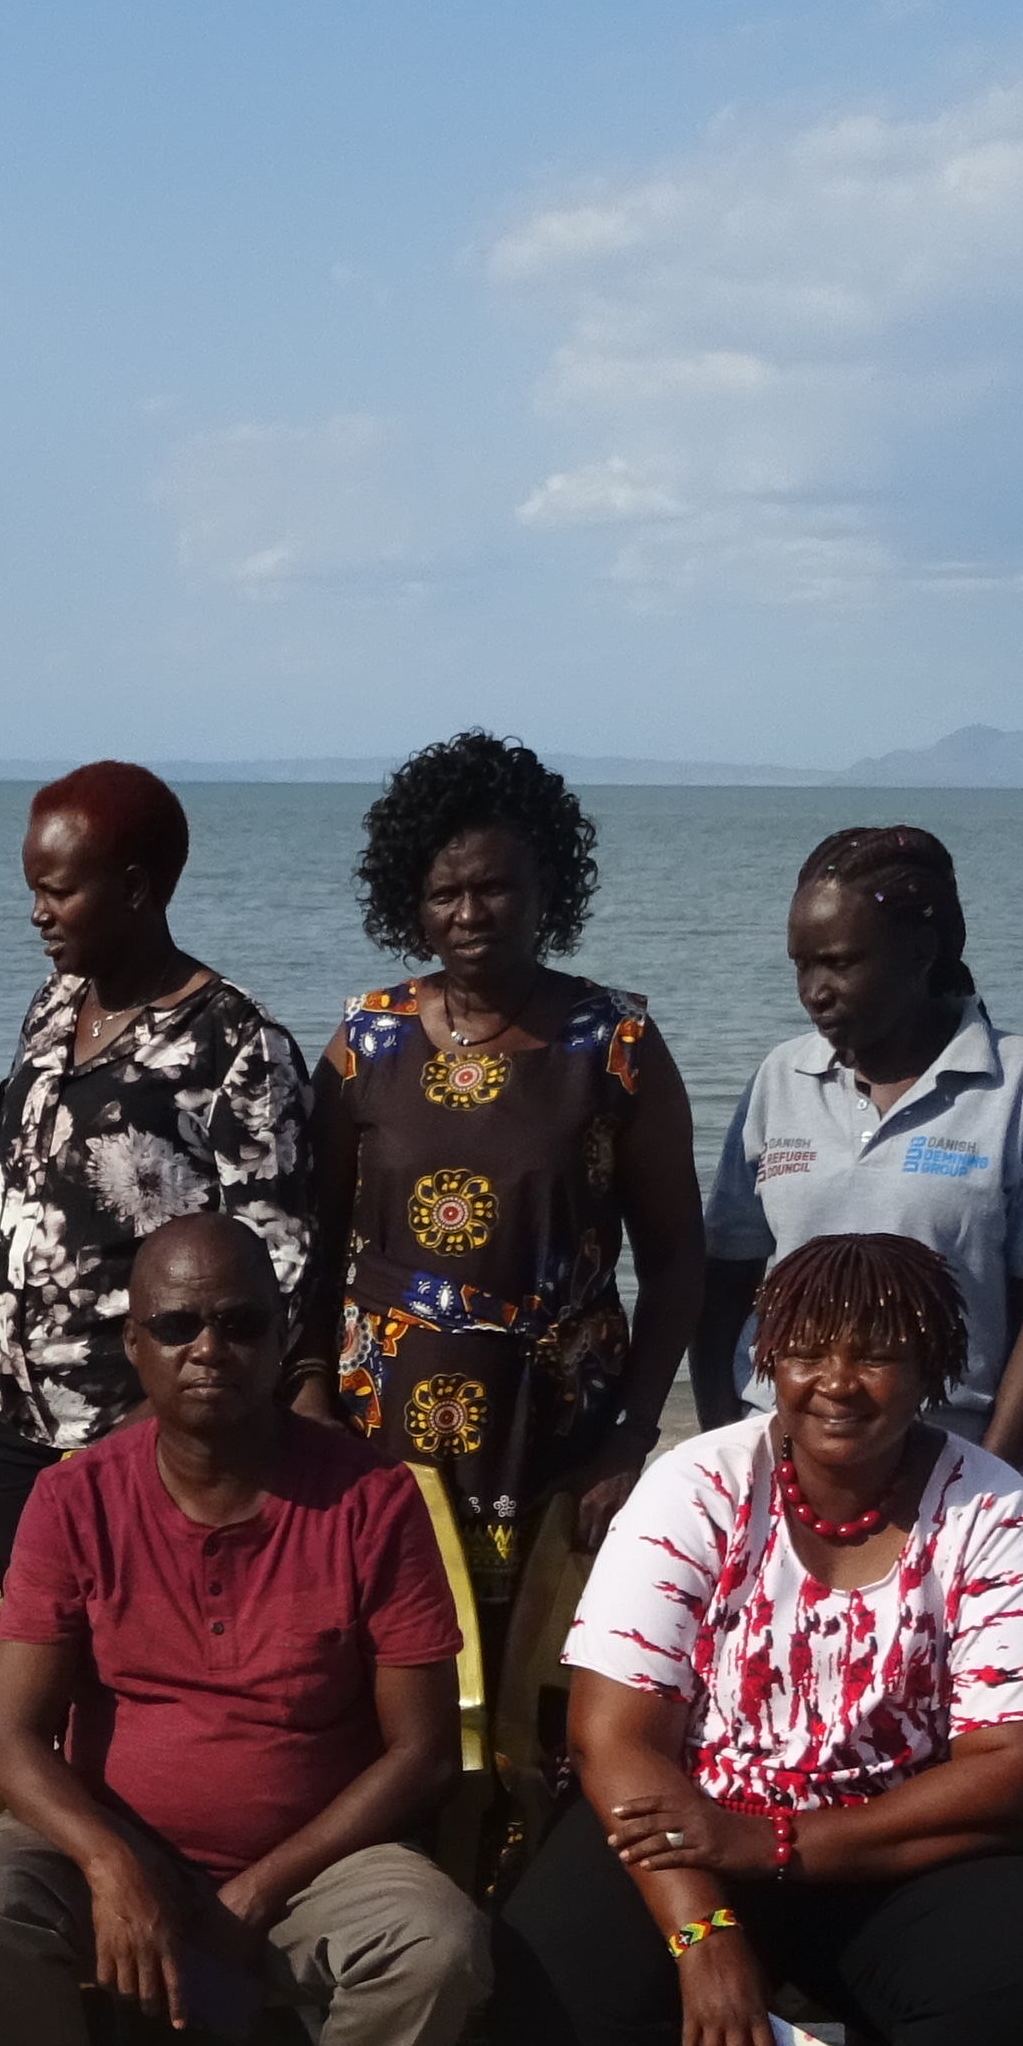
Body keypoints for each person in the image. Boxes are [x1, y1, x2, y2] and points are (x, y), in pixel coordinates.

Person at [494, 1234, 1023, 2046]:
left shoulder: (989, 1510)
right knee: (548, 1963)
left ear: (934, 1367)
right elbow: (613, 1739)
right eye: (810, 1348)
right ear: (767, 1356)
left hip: (903, 1850)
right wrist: (701, 1929)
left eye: (880, 1353)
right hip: (698, 1832)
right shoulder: (698, 1486)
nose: (840, 1378)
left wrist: (786, 1844)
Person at [0, 1217, 482, 2046]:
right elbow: (10, 1742)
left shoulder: (370, 1502)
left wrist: (264, 1887)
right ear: (132, 1347)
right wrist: (109, 1862)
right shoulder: (76, 1498)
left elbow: (422, 1752)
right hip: (117, 1856)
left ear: (283, 1339)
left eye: (238, 1324)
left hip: (314, 1861)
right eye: (175, 1326)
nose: (208, 1350)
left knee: (440, 1941)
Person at [299, 728, 701, 1793]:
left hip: (559, 1442)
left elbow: (677, 1260)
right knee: (387, 1693)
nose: (471, 914)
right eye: (446, 892)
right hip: (381, 1439)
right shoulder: (365, 1041)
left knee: (542, 1713)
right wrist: (306, 1397)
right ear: (410, 899)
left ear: (546, 888)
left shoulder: (615, 1046)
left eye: (498, 888)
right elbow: (309, 1240)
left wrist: (630, 1435)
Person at [0, 761, 315, 1572]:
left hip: (136, 1439)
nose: (37, 915)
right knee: (38, 1653)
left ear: (132, 889)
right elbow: (8, 1167)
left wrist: (160, 1424)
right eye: (33, 889)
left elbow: (280, 1264)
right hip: (11, 1422)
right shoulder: (56, 1004)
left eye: (58, 892)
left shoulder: (236, 1044)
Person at [695, 826, 1023, 1469]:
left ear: (920, 951)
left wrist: (994, 1467)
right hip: (778, 1443)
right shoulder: (781, 1076)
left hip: (948, 1449)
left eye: (842, 962)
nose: (814, 990)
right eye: (801, 963)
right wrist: (723, 1443)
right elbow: (724, 1281)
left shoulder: (1016, 1080)